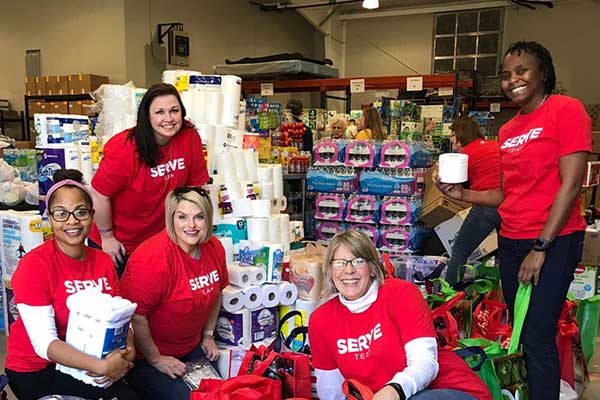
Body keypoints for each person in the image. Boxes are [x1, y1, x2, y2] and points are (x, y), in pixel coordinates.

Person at [437, 41, 591, 399]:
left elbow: (569, 187)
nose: (512, 80)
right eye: (506, 75)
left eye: (521, 71)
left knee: (538, 332)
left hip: (554, 240)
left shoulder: (565, 110)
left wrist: (541, 247)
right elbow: (508, 194)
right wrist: (464, 196)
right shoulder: (507, 131)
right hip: (512, 239)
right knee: (521, 330)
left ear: (543, 72)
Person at [309, 230, 491, 400]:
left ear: (372, 268)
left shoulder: (401, 294)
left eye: (358, 261)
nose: (349, 271)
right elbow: (331, 391)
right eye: (339, 263)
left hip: (446, 389)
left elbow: (425, 363)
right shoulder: (322, 319)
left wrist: (395, 389)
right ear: (330, 270)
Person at [5, 169, 138, 400]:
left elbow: (120, 315)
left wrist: (128, 351)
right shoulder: (35, 266)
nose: (72, 221)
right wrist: (102, 367)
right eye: (61, 214)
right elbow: (44, 343)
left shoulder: (103, 261)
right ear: (49, 218)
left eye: (81, 212)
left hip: (92, 359)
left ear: (92, 215)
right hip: (37, 369)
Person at [89, 83, 210, 277]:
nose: (168, 119)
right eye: (159, 112)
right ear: (147, 116)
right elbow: (99, 195)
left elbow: (194, 189)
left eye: (174, 110)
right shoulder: (124, 148)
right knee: (121, 302)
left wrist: (191, 230)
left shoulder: (189, 137)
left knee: (157, 302)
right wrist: (107, 237)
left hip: (161, 240)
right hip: (119, 243)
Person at [120, 187, 229, 400]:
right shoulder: (152, 259)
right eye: (182, 217)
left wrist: (208, 335)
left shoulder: (213, 248)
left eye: (199, 217)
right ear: (171, 219)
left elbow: (217, 291)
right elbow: (136, 316)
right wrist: (156, 359)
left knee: (220, 395)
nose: (191, 225)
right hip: (149, 356)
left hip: (191, 347)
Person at [444, 116, 502, 285]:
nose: (451, 139)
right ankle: (499, 292)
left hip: (486, 204)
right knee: (505, 251)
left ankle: (450, 294)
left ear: (461, 135)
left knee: (460, 249)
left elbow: (455, 186)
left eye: (453, 134)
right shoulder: (494, 145)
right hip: (508, 202)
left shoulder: (465, 155)